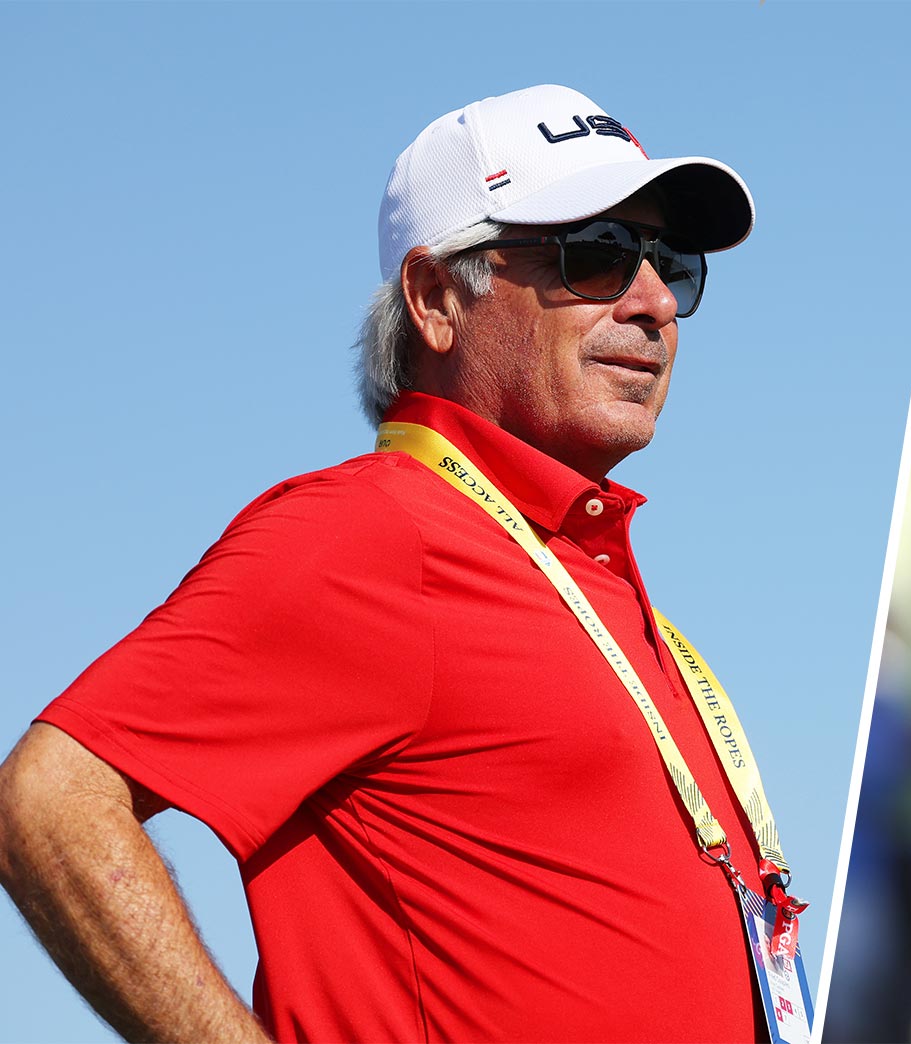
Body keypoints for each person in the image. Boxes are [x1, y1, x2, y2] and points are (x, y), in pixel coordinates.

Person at [0, 84, 807, 1043]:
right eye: (595, 257)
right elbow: (50, 805)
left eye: (672, 262)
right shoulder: (375, 531)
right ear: (433, 301)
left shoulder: (584, 574)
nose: (654, 302)